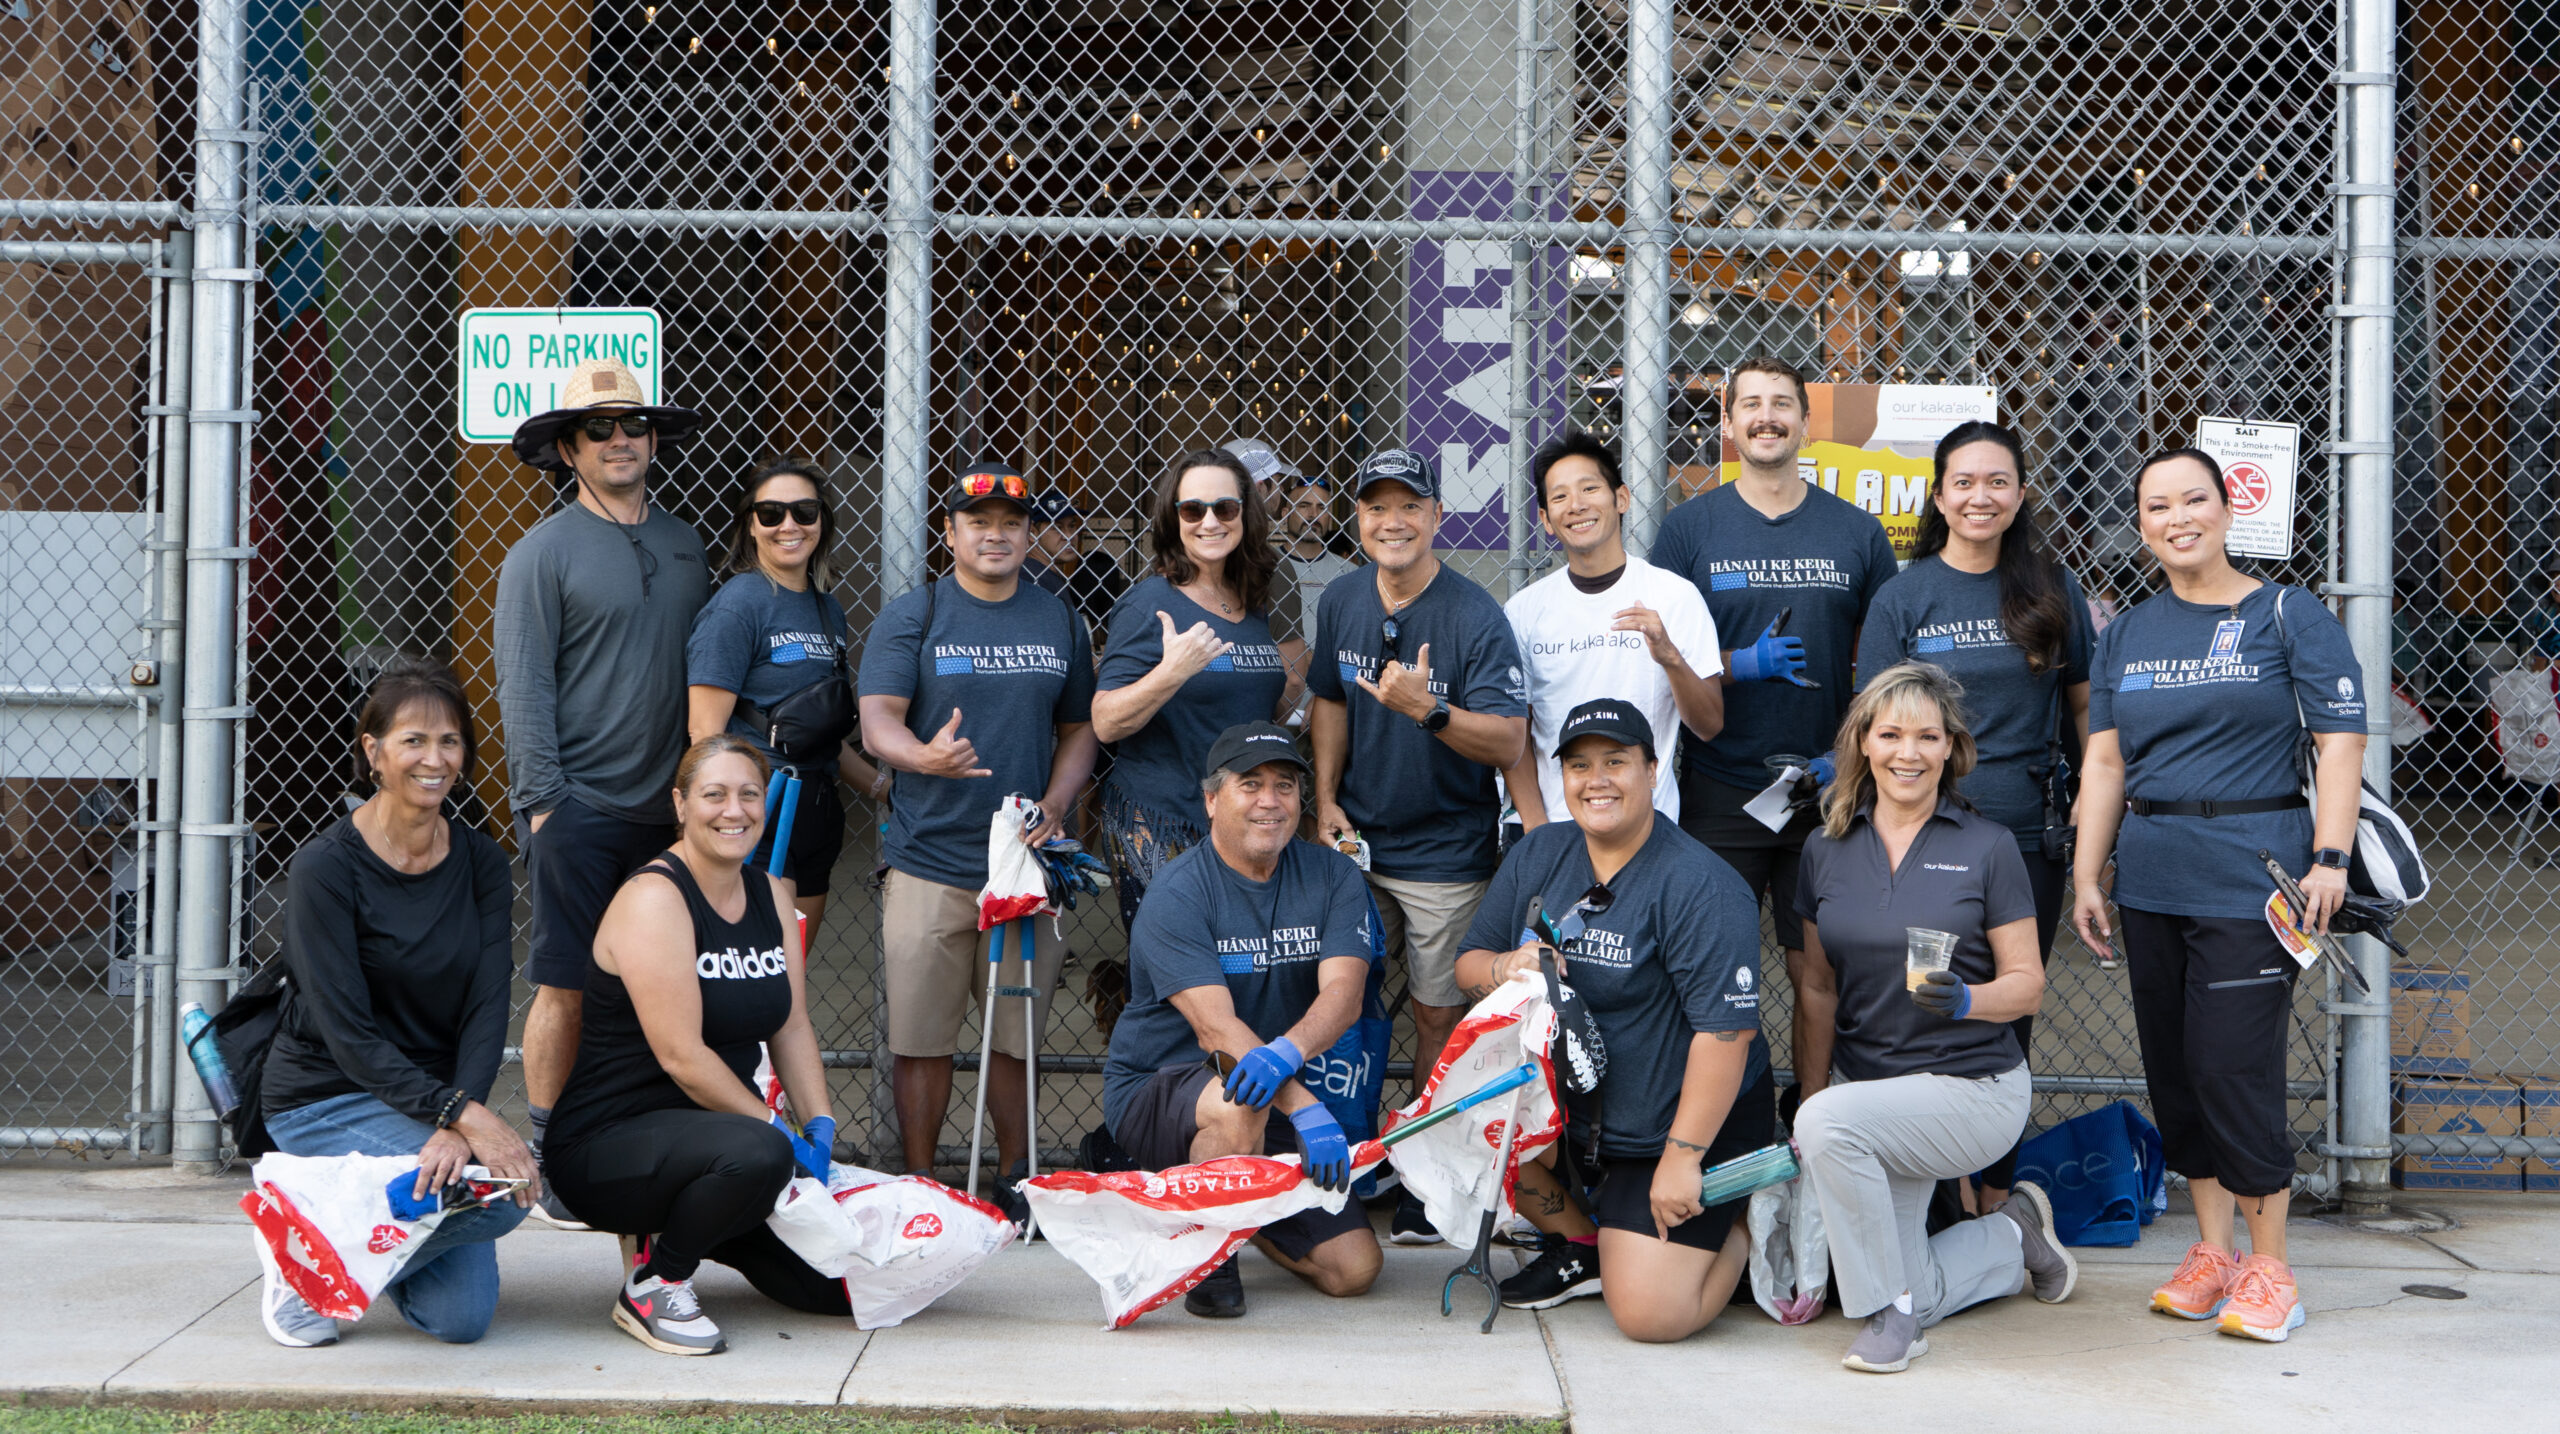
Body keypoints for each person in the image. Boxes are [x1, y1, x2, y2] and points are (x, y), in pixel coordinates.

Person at [2072, 447, 2368, 1345]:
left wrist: (2331, 857)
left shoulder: (2288, 613)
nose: (2178, 518)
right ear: (2142, 524)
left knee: (2233, 1068)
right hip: (2154, 878)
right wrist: (2087, 873)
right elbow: (2106, 762)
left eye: (2193, 499)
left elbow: (2341, 742)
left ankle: (2272, 1267)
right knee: (2176, 1070)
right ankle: (2213, 1253)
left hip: (2254, 878)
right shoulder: (2126, 632)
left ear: (2228, 509)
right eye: (2157, 506)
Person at [1789, 662, 2079, 1374]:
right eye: (1890, 734)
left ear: (1952, 747)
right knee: (1912, 1278)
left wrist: (1968, 999)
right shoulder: (1825, 848)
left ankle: (1889, 1319)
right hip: (1870, 1093)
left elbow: (2029, 986)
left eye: (1927, 736)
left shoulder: (1987, 845)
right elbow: (1817, 988)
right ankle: (2014, 1236)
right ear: (1863, 742)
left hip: (1971, 1089)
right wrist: (1812, 1096)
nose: (1908, 753)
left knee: (1835, 1138)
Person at [1454, 699, 1767, 1341]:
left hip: (1672, 1123)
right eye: (1579, 765)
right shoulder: (1541, 853)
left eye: (1616, 762)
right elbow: (1468, 964)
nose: (1596, 780)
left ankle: (1746, 1214)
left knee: (1651, 1315)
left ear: (1653, 771)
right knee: (1465, 1121)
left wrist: (1683, 1158)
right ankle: (1584, 1244)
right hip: (1579, 1111)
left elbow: (1725, 1034)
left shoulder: (1700, 885)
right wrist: (1509, 965)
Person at [260, 658, 536, 1348]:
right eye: (413, 740)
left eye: (449, 741)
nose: (433, 759)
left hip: (433, 1100)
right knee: (500, 1199)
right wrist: (459, 1115)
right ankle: (307, 1266)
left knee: (459, 1319)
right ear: (373, 750)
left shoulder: (481, 861)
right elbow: (347, 1033)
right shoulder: (325, 867)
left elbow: (487, 1005)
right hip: (326, 1093)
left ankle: (350, 1234)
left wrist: (457, 1120)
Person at [543, 735, 848, 1356]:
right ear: (681, 804)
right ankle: (656, 1283)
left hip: (715, 1143)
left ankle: (702, 1221)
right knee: (762, 1152)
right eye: (715, 795)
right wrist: (779, 1132)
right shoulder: (655, 898)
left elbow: (790, 1024)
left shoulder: (772, 893)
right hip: (612, 1141)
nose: (734, 810)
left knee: (837, 1287)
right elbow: (681, 1056)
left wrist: (820, 1127)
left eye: (749, 794)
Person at [1854, 421, 2095, 1206]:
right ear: (1938, 495)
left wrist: (2094, 810)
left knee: (2005, 1017)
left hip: (2022, 837)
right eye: (1963, 482)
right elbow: (1873, 722)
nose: (1979, 497)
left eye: (1997, 482)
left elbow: (2084, 711)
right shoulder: (1905, 595)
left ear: (2020, 494)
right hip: (1921, 837)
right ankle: (1928, 1194)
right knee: (1923, 1005)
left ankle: (1991, 1196)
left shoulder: (2052, 588)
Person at [1648, 355, 1897, 1106]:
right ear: (1728, 424)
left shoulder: (1856, 533)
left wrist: (1849, 755)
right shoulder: (1689, 530)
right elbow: (1663, 659)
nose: (1766, 417)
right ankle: (1730, 1118)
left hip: (1828, 789)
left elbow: (1888, 668)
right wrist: (1739, 663)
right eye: (1750, 404)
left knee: (1817, 966)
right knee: (1713, 969)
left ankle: (1811, 1114)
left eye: (1782, 403)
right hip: (1721, 785)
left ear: (1805, 423)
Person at [498, 357, 712, 1224]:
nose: (620, 439)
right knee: (567, 985)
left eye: (634, 425)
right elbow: (523, 689)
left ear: (653, 440)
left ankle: (639, 1148)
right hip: (580, 809)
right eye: (599, 429)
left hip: (672, 818)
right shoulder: (539, 555)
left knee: (666, 990)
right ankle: (548, 1157)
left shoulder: (687, 545)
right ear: (568, 450)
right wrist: (547, 807)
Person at [856, 464, 1101, 1213]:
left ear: (1029, 535)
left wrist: (1058, 800)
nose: (995, 535)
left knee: (1015, 1032)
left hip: (1023, 861)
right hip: (929, 859)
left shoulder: (1057, 618)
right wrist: (922, 756)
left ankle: (1016, 1175)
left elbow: (1080, 727)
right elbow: (878, 720)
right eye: (978, 522)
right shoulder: (916, 614)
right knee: (921, 1035)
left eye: (1011, 524)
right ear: (950, 532)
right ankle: (923, 1184)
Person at [1305, 446, 1529, 1242]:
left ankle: (1422, 1174)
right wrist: (1325, 797)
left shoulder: (1474, 614)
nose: (1392, 522)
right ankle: (1345, 1156)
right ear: (1358, 519)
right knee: (1339, 1002)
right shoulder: (1342, 599)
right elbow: (1329, 700)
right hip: (1357, 844)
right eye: (1376, 507)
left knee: (1437, 1016)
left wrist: (1426, 709)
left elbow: (1507, 740)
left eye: (1409, 507)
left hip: (1443, 853)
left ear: (1437, 516)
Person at [1101, 722, 1381, 1318]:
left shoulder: (1334, 875)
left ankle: (1239, 1215)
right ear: (1211, 799)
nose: (1269, 801)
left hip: (1273, 1084)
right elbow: (1216, 1032)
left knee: (1354, 1270)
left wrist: (1287, 1057)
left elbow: (1344, 994)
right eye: (1249, 784)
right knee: (1241, 1101)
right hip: (1162, 1085)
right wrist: (1306, 1108)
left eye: (1285, 786)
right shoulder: (1177, 891)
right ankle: (1210, 1256)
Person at [1093, 449, 1295, 927]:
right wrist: (1171, 672)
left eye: (1224, 508)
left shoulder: (1254, 601)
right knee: (1179, 960)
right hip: (1164, 819)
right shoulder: (1149, 604)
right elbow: (1105, 721)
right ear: (1174, 518)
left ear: (1245, 514)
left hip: (1243, 822)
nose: (1209, 522)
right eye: (1192, 510)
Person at [686, 460, 884, 941]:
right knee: (762, 962)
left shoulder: (827, 608)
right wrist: (724, 817)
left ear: (822, 521)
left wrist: (885, 788)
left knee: (793, 967)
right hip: (761, 807)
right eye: (771, 513)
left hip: (816, 809)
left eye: (804, 511)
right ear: (751, 525)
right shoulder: (739, 605)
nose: (789, 525)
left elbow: (818, 735)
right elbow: (705, 733)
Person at [1503, 431, 1723, 827]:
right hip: (1555, 828)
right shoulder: (1523, 612)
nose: (1577, 505)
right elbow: (1515, 737)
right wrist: (1537, 831)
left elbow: (1709, 725)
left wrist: (1670, 658)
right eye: (1560, 497)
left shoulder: (1674, 596)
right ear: (1546, 520)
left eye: (1589, 488)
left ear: (1621, 498)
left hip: (1649, 830)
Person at [1022, 487, 1129, 638]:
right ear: (1032, 533)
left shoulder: (1047, 576)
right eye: (1057, 527)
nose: (1069, 536)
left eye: (1072, 526)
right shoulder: (1031, 578)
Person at [1281, 473, 1360, 622]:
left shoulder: (1350, 573)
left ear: (1329, 516)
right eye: (1304, 506)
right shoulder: (1264, 565)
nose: (1313, 515)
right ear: (1285, 515)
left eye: (1321, 507)